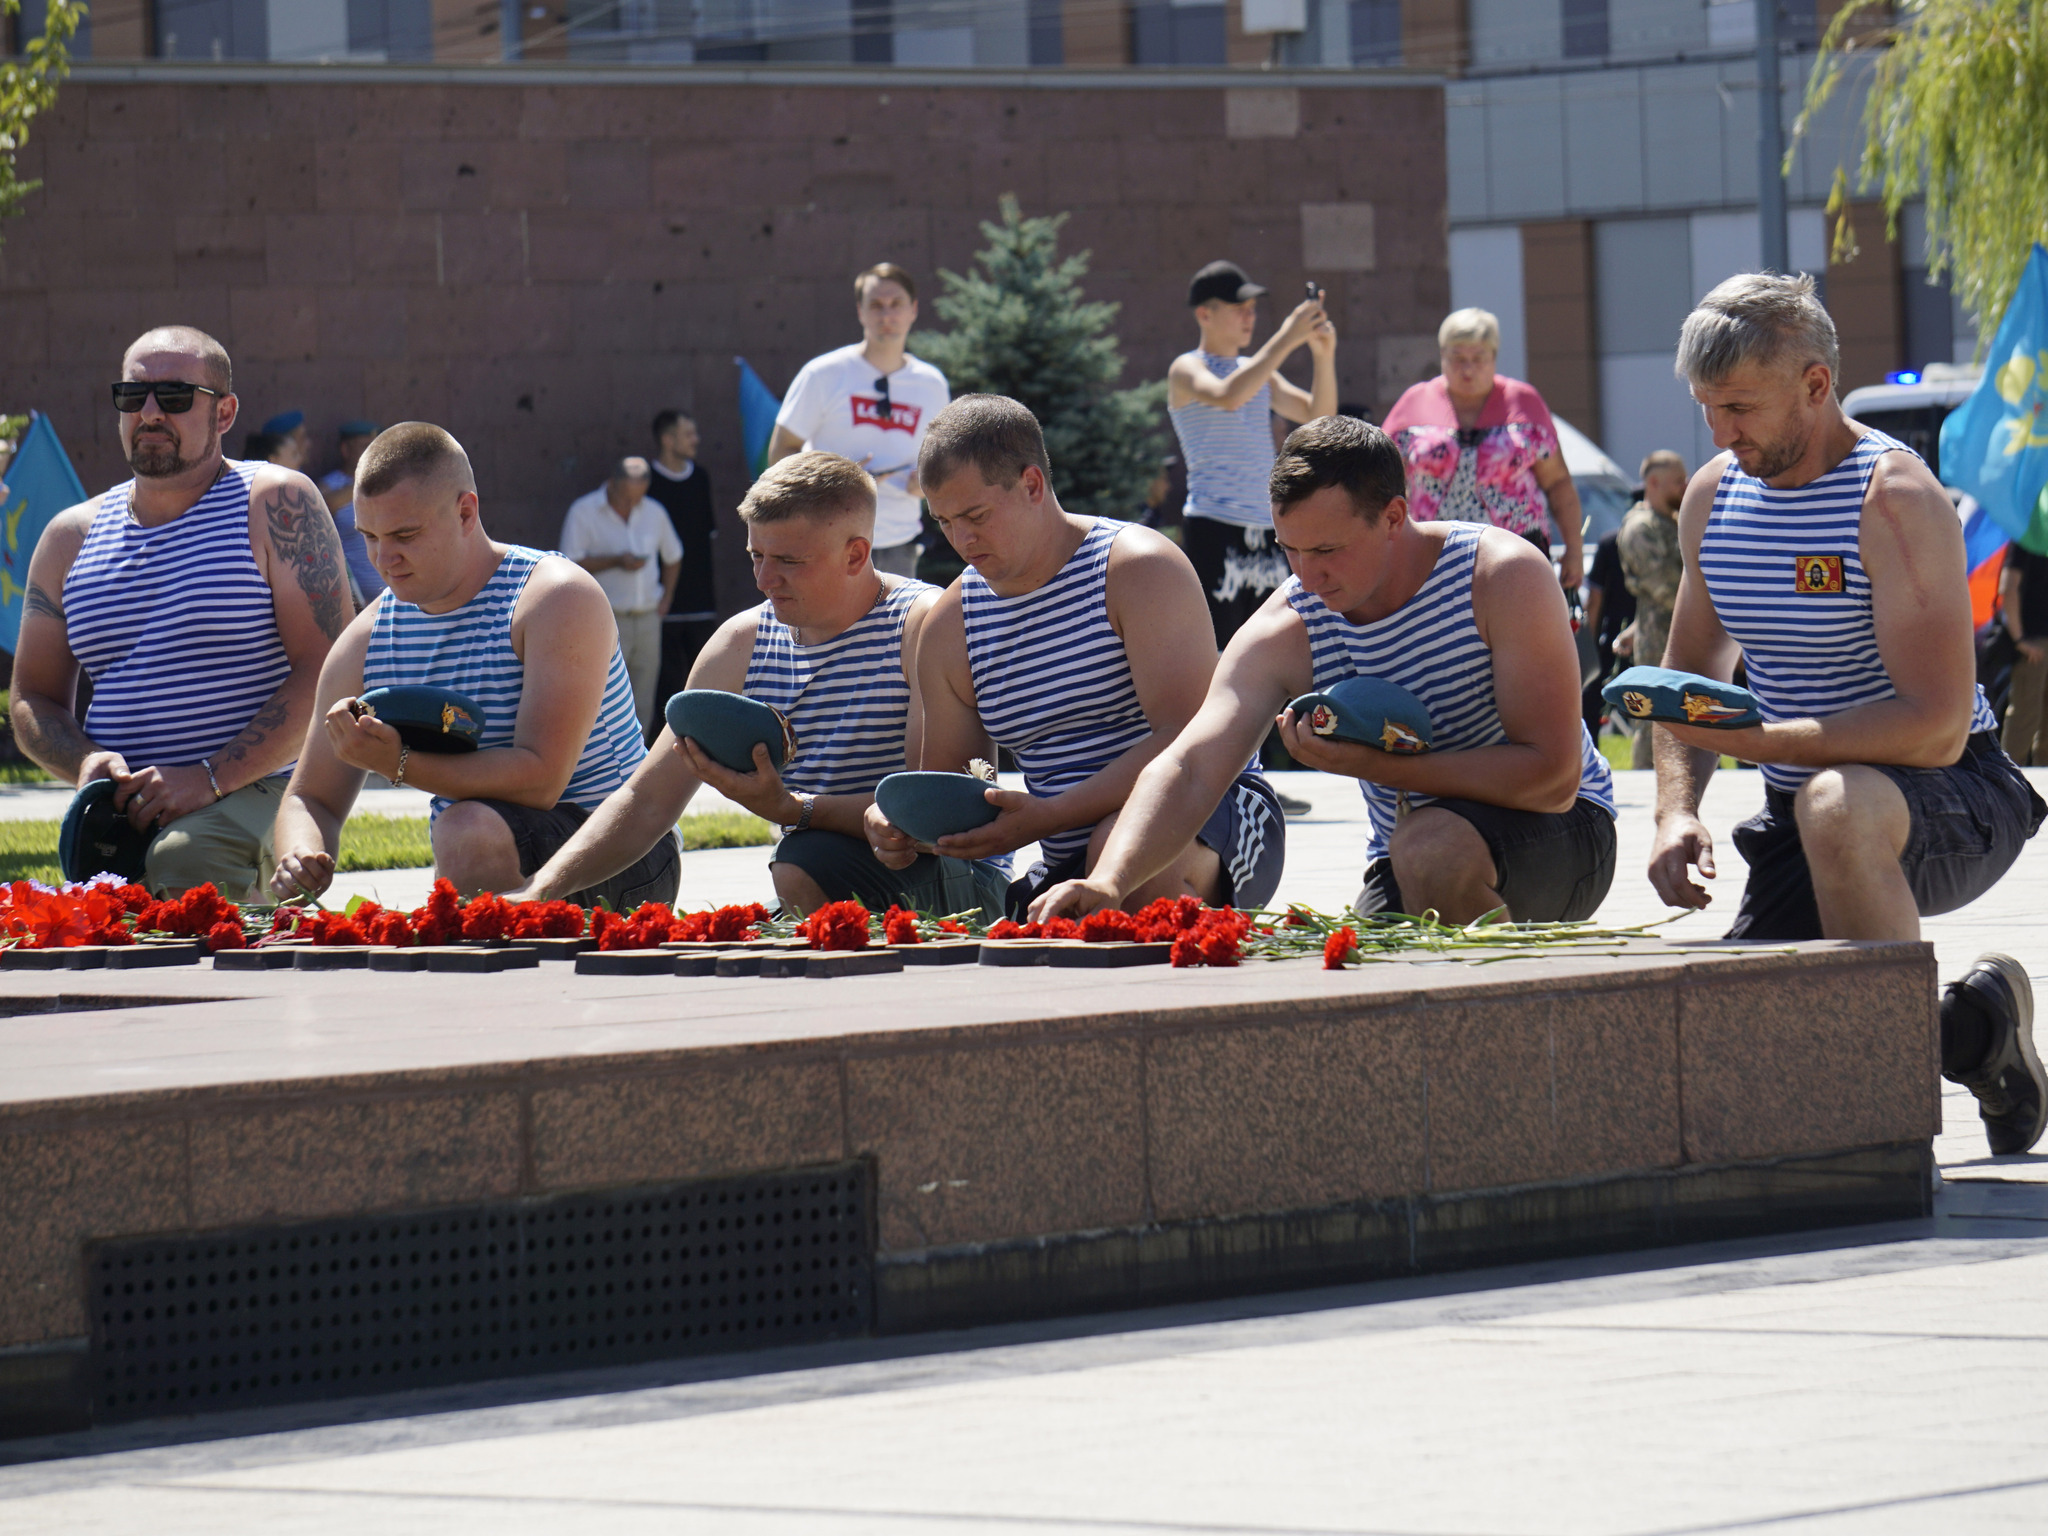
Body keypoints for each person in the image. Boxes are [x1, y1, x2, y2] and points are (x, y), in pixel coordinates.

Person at [1649, 272, 2048, 1156]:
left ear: (1816, 385)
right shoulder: (1716, 498)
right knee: (1759, 1040)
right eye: (1707, 408)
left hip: (1953, 793)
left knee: (1835, 805)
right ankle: (1979, 1029)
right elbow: (1685, 684)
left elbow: (1937, 724)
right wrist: (1675, 810)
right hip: (1810, 807)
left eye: (1740, 407)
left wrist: (1757, 742)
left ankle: (1890, 1144)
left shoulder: (1894, 499)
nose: (1720, 433)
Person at [1032, 414, 1614, 928]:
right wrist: (1110, 881)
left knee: (1430, 849)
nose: (1308, 577)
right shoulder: (1291, 621)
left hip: (1565, 828)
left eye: (1328, 551)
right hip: (1406, 852)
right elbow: (1191, 765)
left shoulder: (1501, 576)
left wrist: (1380, 768)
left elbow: (1554, 778)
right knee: (1360, 952)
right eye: (1291, 549)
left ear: (1393, 517)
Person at [509, 451, 1007, 918]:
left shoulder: (922, 624)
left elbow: (935, 815)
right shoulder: (742, 641)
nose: (765, 579)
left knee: (800, 859)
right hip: (821, 872)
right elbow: (646, 801)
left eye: (789, 561)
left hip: (963, 885)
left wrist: (796, 810)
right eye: (755, 555)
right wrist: (540, 890)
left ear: (856, 555)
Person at [867, 394, 1285, 918]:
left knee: (1125, 865)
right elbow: (959, 796)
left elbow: (1191, 739)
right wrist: (904, 826)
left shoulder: (1137, 568)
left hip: (1212, 809)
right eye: (945, 521)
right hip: (1071, 845)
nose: (961, 539)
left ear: (1032, 485)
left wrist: (1049, 815)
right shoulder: (951, 625)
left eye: (975, 515)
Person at [10, 326, 352, 898]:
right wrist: (88, 762)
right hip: (125, 812)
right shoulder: (69, 538)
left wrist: (209, 778)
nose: (149, 413)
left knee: (183, 864)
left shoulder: (275, 502)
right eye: (132, 396)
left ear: (224, 414)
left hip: (265, 787)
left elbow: (328, 670)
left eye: (173, 398)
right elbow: (31, 699)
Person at [271, 423, 669, 909]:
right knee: (465, 836)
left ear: (465, 512)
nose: (383, 559)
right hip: (483, 848)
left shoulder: (555, 596)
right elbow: (310, 797)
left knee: (465, 831)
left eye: (405, 534)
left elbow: (542, 780)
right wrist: (300, 855)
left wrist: (397, 763)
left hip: (621, 857)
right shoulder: (367, 638)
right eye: (369, 536)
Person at [1168, 260, 1338, 652]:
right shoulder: (1186, 367)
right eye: (1238, 307)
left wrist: (1322, 355)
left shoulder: (1257, 370)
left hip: (1268, 529)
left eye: (1252, 307)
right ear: (1204, 314)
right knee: (1220, 649)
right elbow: (1228, 395)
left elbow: (1319, 416)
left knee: (1276, 646)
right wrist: (1286, 337)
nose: (1249, 316)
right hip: (1214, 524)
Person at [1381, 307, 1585, 590]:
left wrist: (1574, 550)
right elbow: (1381, 483)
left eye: (1478, 358)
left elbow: (1558, 482)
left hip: (1516, 553)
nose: (1468, 369)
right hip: (1432, 559)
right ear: (1442, 356)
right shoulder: (1413, 403)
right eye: (1457, 358)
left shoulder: (1524, 402)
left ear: (1494, 357)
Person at [769, 263, 949, 578]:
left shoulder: (931, 384)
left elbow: (944, 462)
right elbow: (780, 452)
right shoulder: (823, 374)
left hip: (900, 543)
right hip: (828, 541)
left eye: (896, 304)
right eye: (876, 306)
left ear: (913, 310)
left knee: (895, 630)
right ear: (860, 312)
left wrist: (926, 481)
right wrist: (834, 482)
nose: (886, 315)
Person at [558, 456, 683, 734]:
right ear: (613, 484)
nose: (631, 505)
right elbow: (568, 562)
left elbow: (674, 555)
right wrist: (616, 561)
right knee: (603, 695)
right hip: (605, 617)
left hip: (649, 617)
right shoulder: (584, 511)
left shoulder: (654, 512)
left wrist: (667, 598)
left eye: (637, 499)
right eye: (627, 498)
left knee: (644, 697)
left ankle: (637, 765)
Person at [1615, 449, 1688, 766]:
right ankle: (1648, 789)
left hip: (1680, 638)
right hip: (1658, 646)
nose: (1684, 488)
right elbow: (1666, 589)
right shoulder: (1640, 529)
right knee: (1653, 722)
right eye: (1677, 482)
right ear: (1654, 483)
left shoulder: (1670, 523)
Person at [645, 409, 718, 710]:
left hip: (701, 602)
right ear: (667, 439)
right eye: (689, 434)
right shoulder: (646, 481)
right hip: (660, 606)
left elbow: (708, 532)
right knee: (666, 687)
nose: (696, 440)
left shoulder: (700, 478)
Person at [320, 418, 384, 606]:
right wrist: (367, 476)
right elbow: (325, 503)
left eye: (376, 446)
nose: (373, 453)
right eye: (365, 446)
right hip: (356, 602)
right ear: (346, 450)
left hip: (396, 597)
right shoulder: (330, 484)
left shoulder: (388, 482)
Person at [1581, 521, 1636, 736]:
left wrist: (1589, 646)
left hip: (1611, 638)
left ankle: (1590, 761)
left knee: (1591, 704)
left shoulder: (1610, 542)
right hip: (1649, 633)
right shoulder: (1667, 535)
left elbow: (1595, 599)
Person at [1998, 542, 2048, 765]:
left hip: (2035, 641)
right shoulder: (2026, 539)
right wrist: (2020, 640)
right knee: (2025, 718)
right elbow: (2007, 588)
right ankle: (2009, 781)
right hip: (2034, 643)